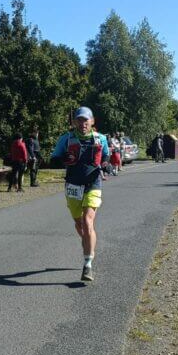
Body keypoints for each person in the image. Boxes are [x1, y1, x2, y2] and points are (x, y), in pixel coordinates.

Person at [51, 106, 109, 283]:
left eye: (86, 120)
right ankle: (87, 242)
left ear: (92, 121)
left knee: (87, 221)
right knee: (79, 224)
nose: (83, 123)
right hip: (73, 186)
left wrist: (106, 165)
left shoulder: (100, 139)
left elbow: (106, 157)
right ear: (74, 122)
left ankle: (88, 264)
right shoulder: (66, 139)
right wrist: (64, 159)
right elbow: (52, 160)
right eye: (79, 120)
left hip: (93, 184)